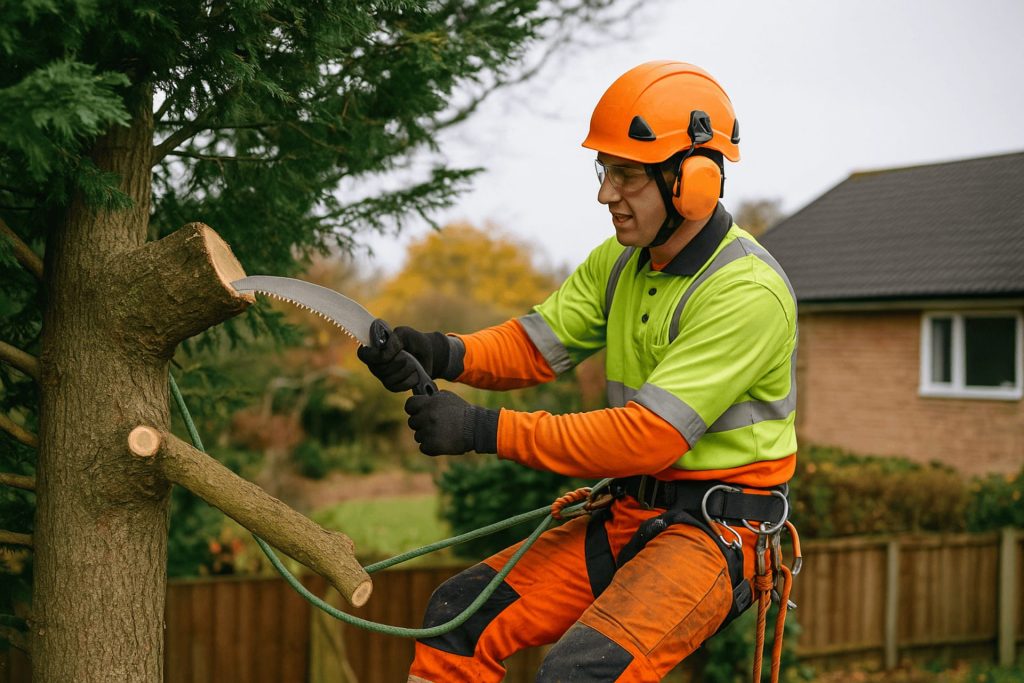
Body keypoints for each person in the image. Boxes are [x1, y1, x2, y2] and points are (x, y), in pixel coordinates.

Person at [358, 60, 798, 683]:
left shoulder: (745, 293)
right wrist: (439, 351)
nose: (605, 194)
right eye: (604, 171)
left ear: (692, 181)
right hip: (627, 512)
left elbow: (650, 436)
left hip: (713, 535)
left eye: (626, 176)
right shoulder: (621, 262)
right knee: (459, 616)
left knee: (579, 674)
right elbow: (536, 346)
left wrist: (483, 429)